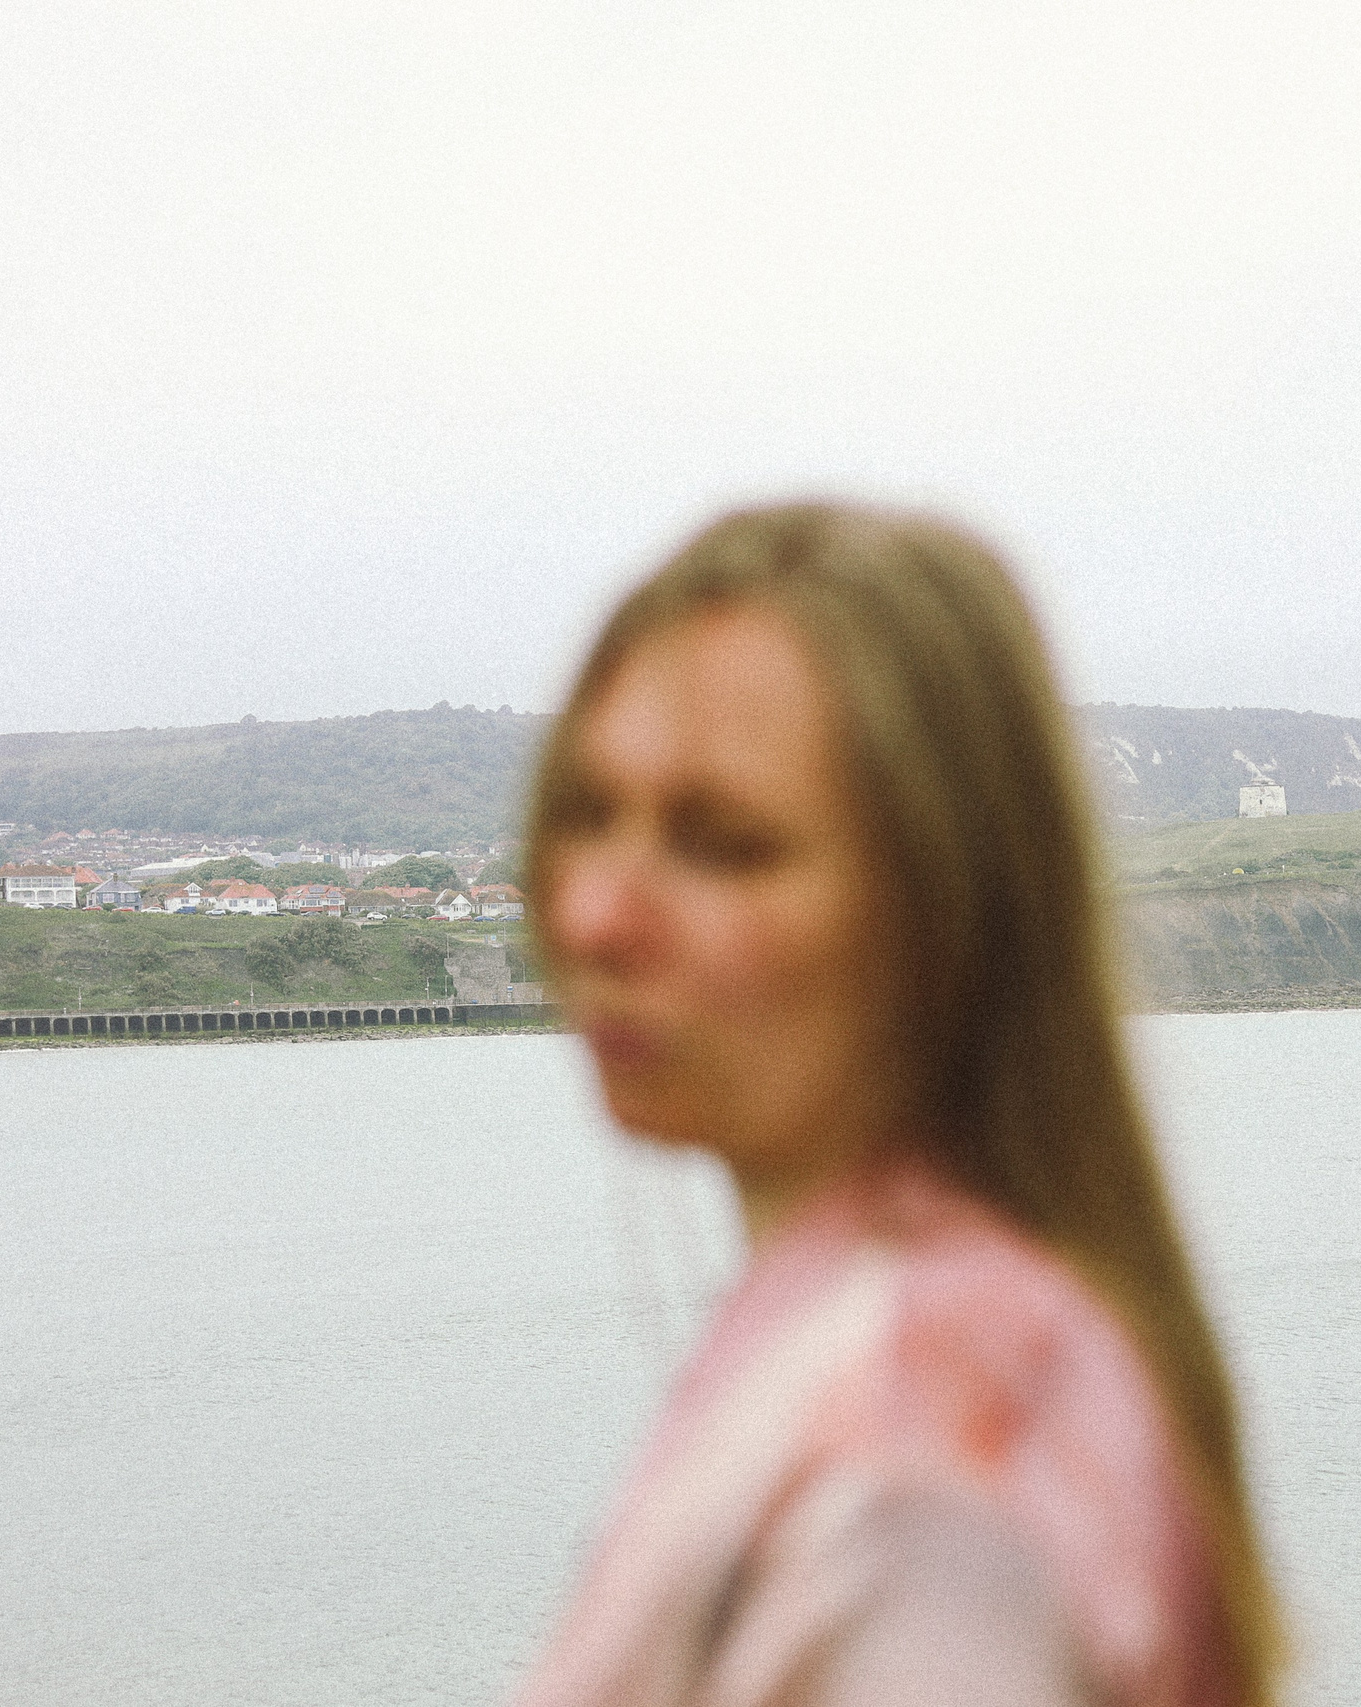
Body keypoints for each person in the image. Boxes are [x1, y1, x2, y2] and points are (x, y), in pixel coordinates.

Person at [513, 502, 1280, 1707]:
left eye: (725, 844)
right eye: (588, 814)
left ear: (945, 911)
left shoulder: (923, 1459)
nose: (595, 916)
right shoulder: (901, 1346)